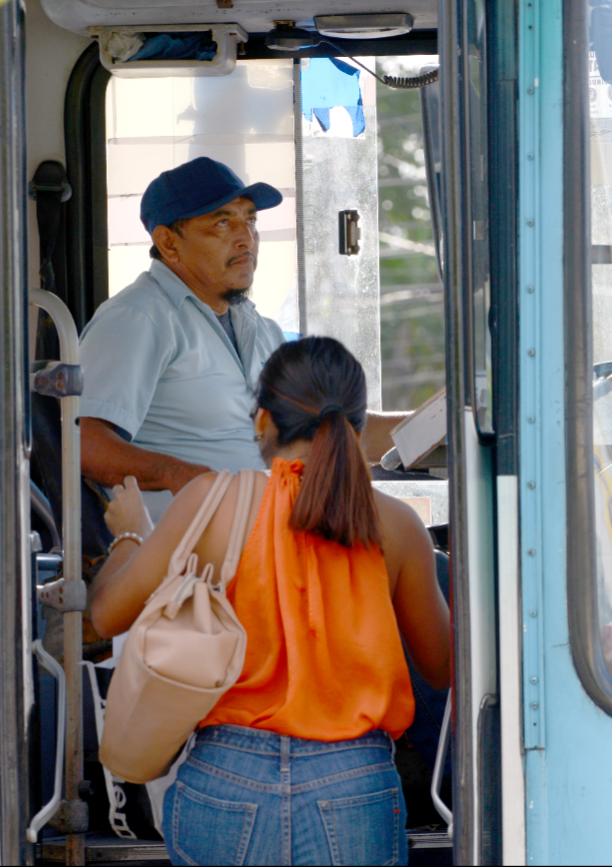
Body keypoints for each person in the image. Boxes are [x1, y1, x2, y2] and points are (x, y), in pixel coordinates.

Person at [89, 336, 450, 866]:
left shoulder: (210, 502)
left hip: (225, 781)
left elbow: (106, 613)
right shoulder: (396, 526)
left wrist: (128, 535)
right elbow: (441, 667)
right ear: (355, 429)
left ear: (262, 421)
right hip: (353, 788)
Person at [79, 157, 407, 521]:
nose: (245, 238)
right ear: (168, 243)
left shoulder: (260, 329)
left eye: (250, 220)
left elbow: (329, 428)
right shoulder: (139, 318)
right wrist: (181, 476)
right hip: (190, 553)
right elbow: (85, 444)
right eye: (223, 222)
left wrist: (437, 427)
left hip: (272, 534)